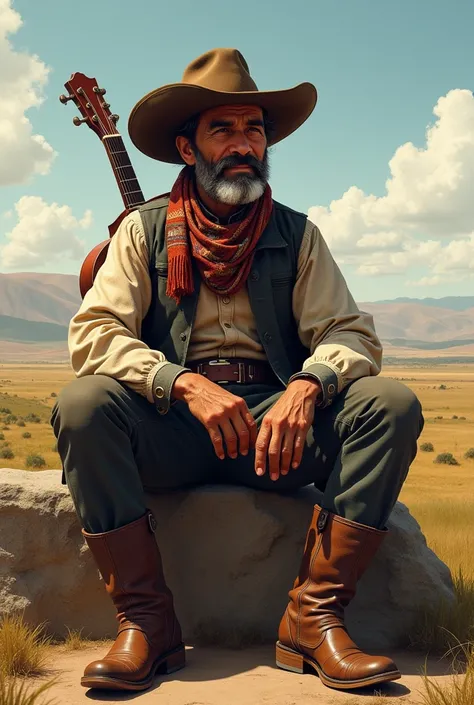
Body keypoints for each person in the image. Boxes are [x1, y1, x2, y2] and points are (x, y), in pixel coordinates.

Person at [51, 47, 423, 693]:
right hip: (173, 427)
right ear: (187, 148)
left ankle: (313, 618)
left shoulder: (297, 233)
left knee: (389, 403)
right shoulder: (142, 231)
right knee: (84, 405)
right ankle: (147, 624)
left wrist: (307, 387)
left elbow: (349, 332)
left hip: (274, 432)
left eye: (254, 129)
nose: (244, 143)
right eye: (223, 129)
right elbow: (94, 332)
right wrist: (181, 382)